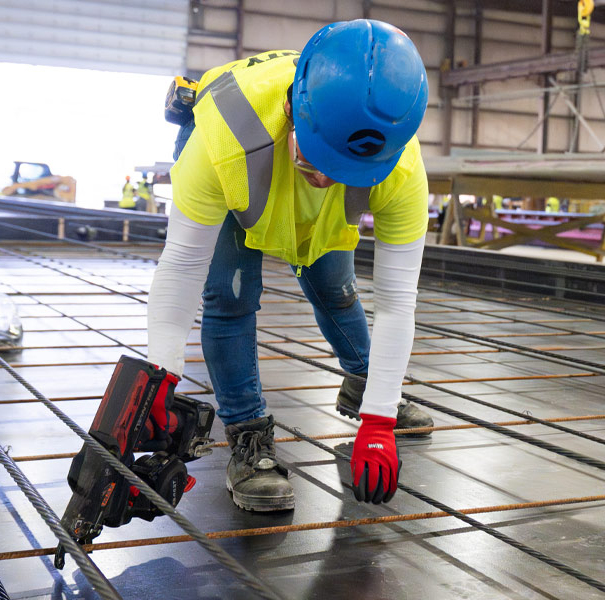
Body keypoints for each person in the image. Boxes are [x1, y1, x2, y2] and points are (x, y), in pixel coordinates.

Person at [148, 20, 433, 510]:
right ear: (289, 111)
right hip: (243, 171)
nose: (325, 180)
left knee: (335, 286)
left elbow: (397, 301)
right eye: (316, 163)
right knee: (230, 296)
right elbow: (180, 270)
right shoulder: (225, 136)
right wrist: (160, 377)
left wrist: (379, 419)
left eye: (345, 173)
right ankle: (248, 435)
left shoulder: (396, 162)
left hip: (289, 160)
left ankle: (363, 384)